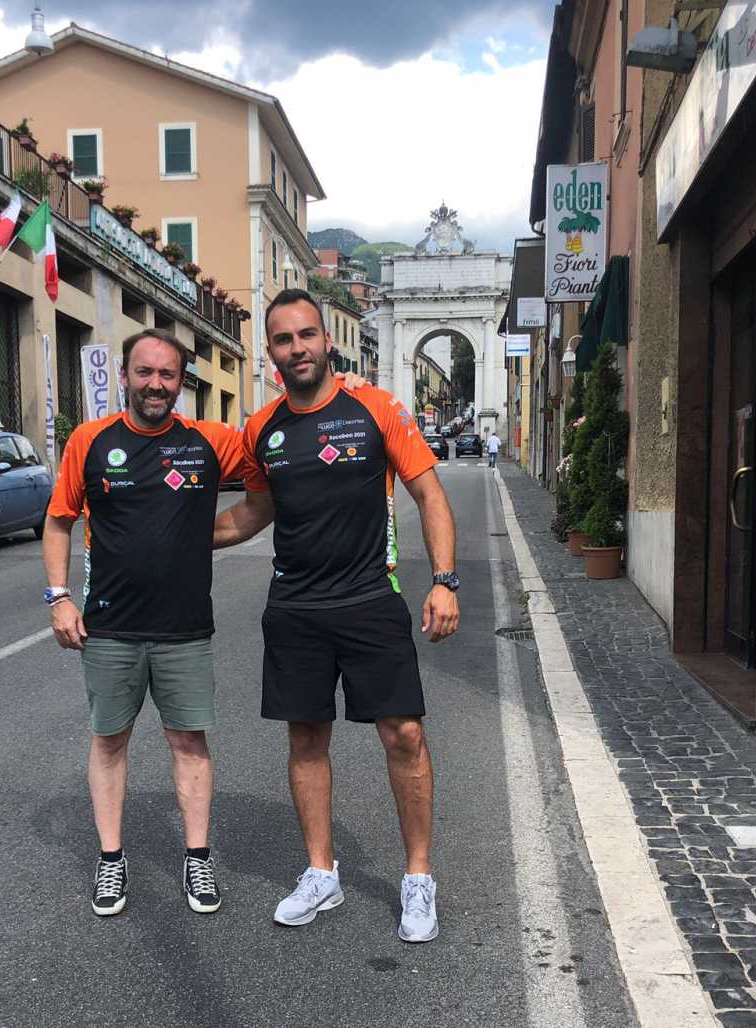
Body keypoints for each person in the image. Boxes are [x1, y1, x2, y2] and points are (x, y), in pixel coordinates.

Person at [43, 328, 368, 920]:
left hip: (186, 628)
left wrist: (338, 396)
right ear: (124, 375)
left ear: (182, 383)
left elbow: (274, 457)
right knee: (109, 740)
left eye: (168, 375)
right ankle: (111, 858)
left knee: (189, 742)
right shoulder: (89, 441)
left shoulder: (210, 442)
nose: (156, 384)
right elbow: (59, 519)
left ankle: (198, 857)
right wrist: (59, 597)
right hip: (109, 627)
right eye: (145, 372)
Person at [214, 289, 460, 944]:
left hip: (369, 598)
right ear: (271, 352)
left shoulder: (377, 409)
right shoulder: (262, 429)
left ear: (327, 341)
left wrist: (444, 581)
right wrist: (182, 537)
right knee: (306, 738)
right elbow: (254, 511)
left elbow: (429, 493)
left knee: (403, 734)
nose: (296, 348)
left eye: (306, 335)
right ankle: (321, 873)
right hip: (294, 606)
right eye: (283, 339)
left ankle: (418, 877)